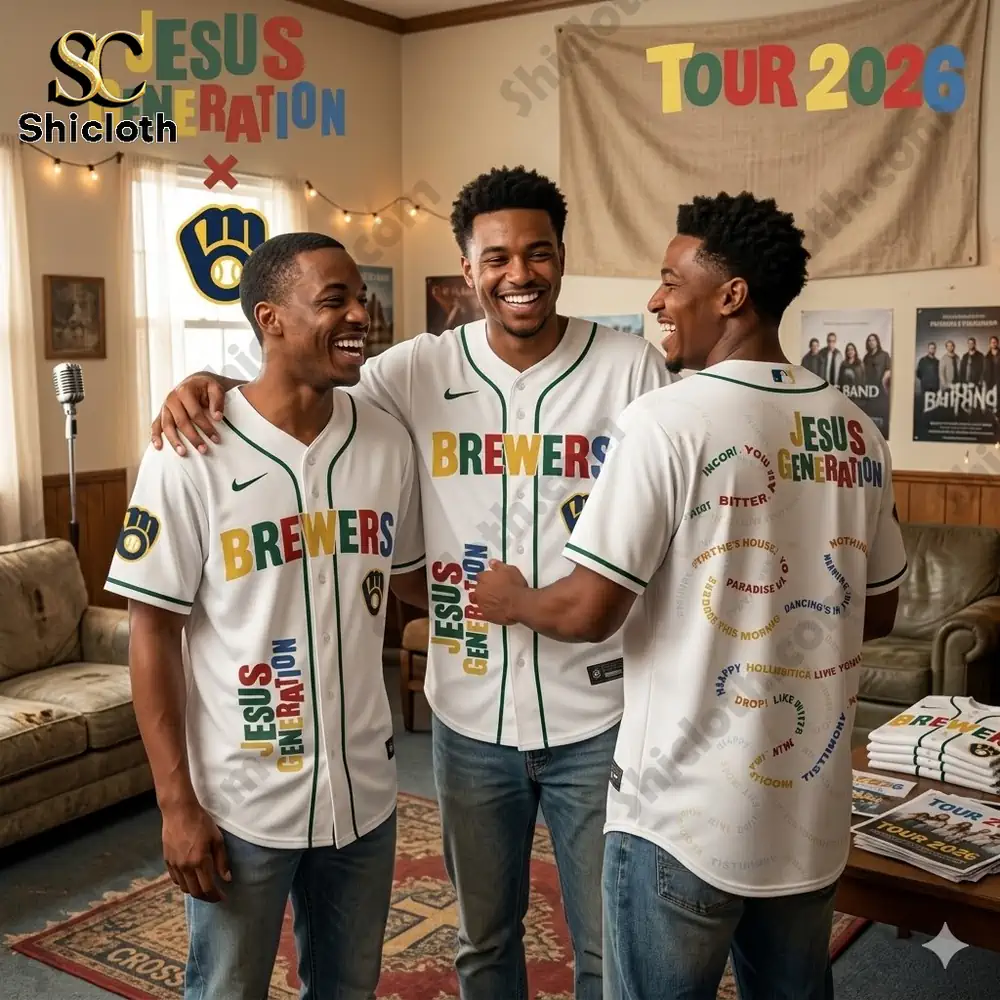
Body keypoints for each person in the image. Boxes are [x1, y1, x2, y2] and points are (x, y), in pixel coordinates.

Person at [147, 166, 678, 1000]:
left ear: (563, 258)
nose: (519, 274)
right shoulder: (409, 373)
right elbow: (290, 378)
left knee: (611, 948)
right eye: (496, 257)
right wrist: (202, 383)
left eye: (538, 253)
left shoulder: (630, 370)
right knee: (483, 941)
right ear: (466, 271)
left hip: (598, 714)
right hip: (467, 715)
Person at [470, 191, 907, 1000]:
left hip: (680, 817)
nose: (656, 299)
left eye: (671, 279)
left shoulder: (665, 421)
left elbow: (588, 610)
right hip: (808, 818)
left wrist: (512, 600)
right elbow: (875, 609)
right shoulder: (856, 429)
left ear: (731, 295)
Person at [107, 233, 427, 1000]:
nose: (361, 314)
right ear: (271, 319)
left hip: (365, 795)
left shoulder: (384, 440)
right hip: (242, 801)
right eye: (334, 301)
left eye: (361, 297)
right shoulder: (190, 451)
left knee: (348, 988)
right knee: (226, 989)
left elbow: (412, 582)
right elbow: (151, 632)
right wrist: (175, 804)